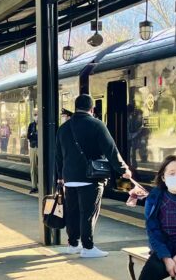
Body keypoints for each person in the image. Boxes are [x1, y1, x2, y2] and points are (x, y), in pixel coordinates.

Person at [54, 94, 128, 258]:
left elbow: (58, 155)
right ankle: (88, 247)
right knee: (88, 213)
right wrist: (123, 170)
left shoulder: (63, 128)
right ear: (92, 109)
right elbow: (111, 150)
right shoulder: (97, 125)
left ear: (75, 107)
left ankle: (73, 244)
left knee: (72, 212)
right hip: (91, 178)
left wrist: (60, 177)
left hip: (69, 179)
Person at [26, 110, 39, 194]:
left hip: (40, 148)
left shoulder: (42, 124)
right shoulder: (31, 125)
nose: (36, 116)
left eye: (37, 114)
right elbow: (28, 136)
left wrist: (33, 135)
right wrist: (34, 135)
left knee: (41, 167)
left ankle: (43, 185)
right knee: (33, 168)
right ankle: (34, 187)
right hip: (33, 147)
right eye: (34, 115)